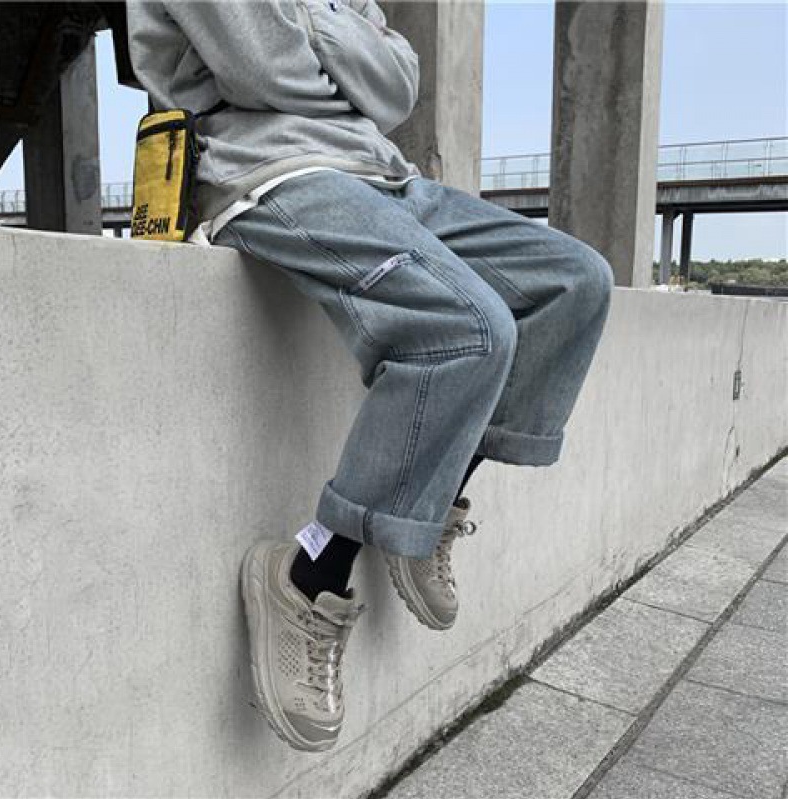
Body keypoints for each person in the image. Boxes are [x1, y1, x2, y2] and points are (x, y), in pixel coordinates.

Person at [127, 0, 614, 752]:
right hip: (267, 172)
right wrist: (342, 38)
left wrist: (304, 29)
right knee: (466, 327)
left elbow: (396, 88)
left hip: (388, 181)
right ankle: (310, 574)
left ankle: (432, 496)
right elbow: (262, 69)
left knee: (576, 282)